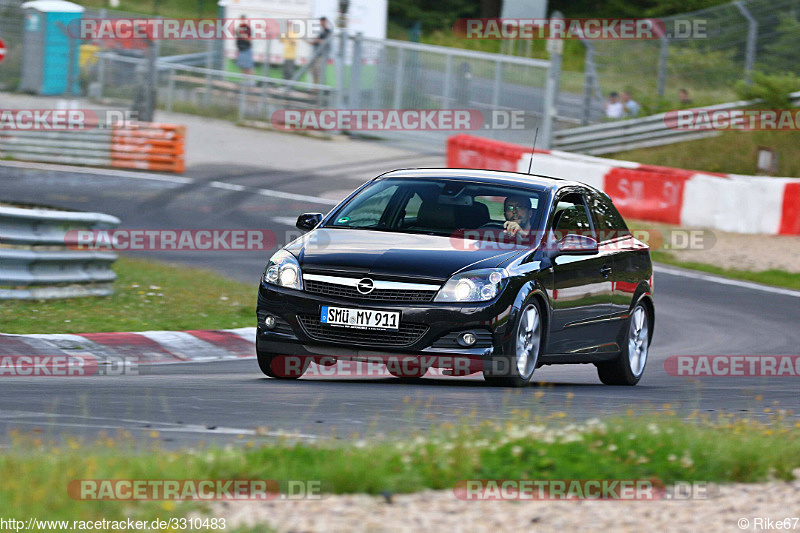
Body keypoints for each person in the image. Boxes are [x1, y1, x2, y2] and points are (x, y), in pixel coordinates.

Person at [308, 17, 332, 85]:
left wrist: (316, 40)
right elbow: (315, 42)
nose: (320, 23)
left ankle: (320, 88)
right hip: (316, 55)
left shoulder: (328, 31)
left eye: (321, 21)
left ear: (324, 21)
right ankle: (316, 88)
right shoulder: (321, 32)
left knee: (319, 72)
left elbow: (326, 42)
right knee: (314, 72)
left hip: (321, 55)